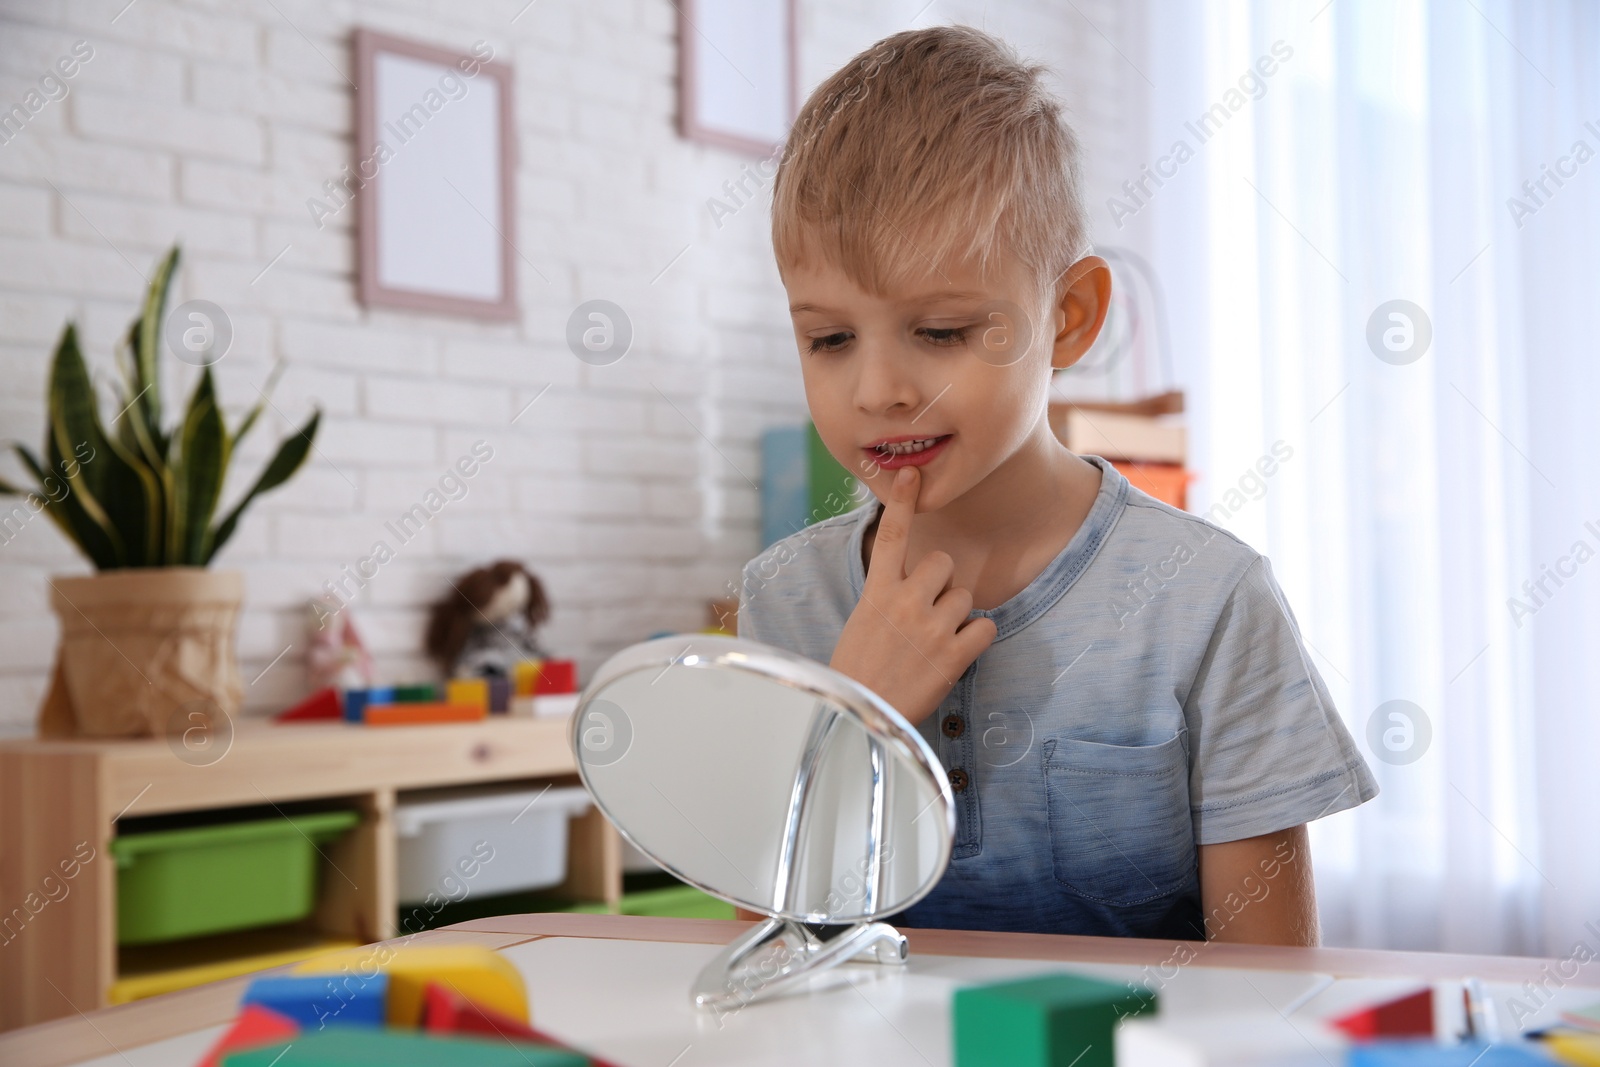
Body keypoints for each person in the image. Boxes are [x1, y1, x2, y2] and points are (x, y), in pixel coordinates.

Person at [736, 25, 1377, 945]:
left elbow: (1268, 994)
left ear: (1068, 319)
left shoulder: (1210, 602)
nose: (878, 390)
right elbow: (765, 966)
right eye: (830, 339)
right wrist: (855, 720)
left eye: (944, 330)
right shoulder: (783, 603)